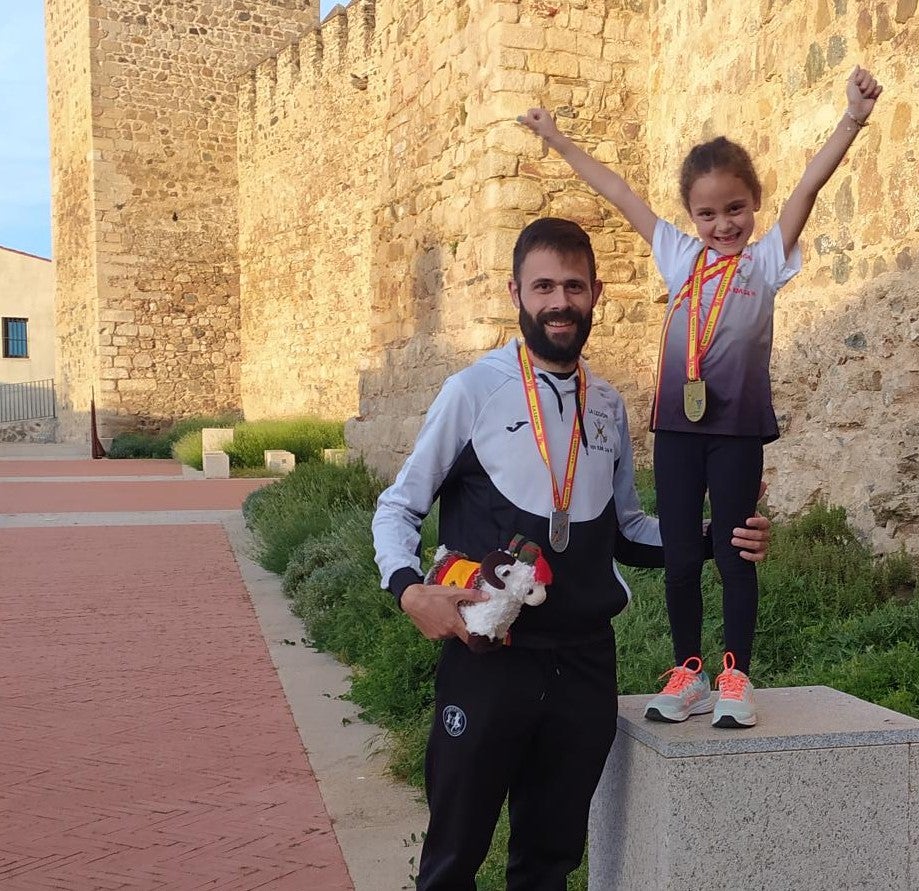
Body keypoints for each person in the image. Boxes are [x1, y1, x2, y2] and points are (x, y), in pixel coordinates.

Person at [372, 217, 773, 891]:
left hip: (585, 664)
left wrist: (715, 537)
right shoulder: (472, 391)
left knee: (549, 863)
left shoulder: (609, 405)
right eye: (544, 286)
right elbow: (398, 505)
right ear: (515, 293)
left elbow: (626, 528)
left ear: (597, 293)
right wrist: (409, 589)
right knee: (450, 860)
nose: (560, 301)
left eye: (574, 286)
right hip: (490, 660)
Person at [518, 66, 883, 729]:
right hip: (677, 432)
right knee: (683, 556)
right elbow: (617, 190)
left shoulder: (767, 261)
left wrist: (851, 119)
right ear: (690, 216)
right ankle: (687, 668)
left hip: (738, 430)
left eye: (735, 209)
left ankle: (735, 674)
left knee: (738, 550)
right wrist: (558, 140)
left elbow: (808, 184)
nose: (723, 224)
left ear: (753, 204)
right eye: (707, 213)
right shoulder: (678, 257)